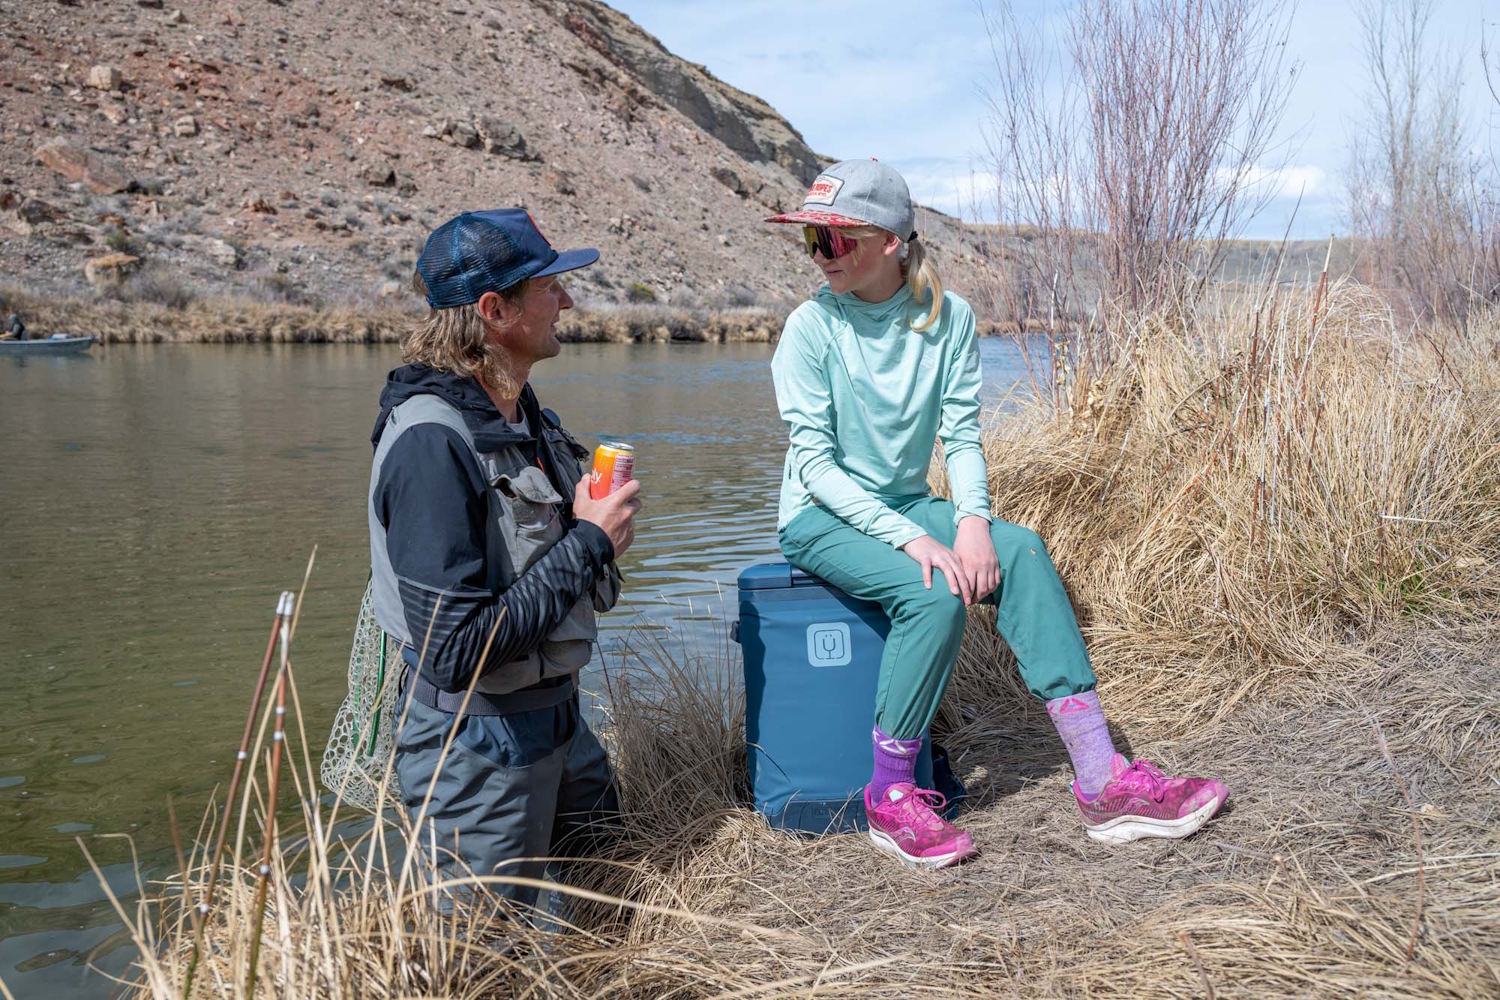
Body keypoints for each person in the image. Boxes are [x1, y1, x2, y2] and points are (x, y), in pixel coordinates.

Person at [765, 160, 1228, 869]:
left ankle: (1102, 780)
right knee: (932, 595)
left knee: (1023, 550)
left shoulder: (949, 320)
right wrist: (915, 536)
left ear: (889, 241)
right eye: (812, 243)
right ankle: (890, 797)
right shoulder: (809, 329)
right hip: (821, 514)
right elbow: (818, 469)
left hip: (904, 502)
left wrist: (974, 522)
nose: (821, 256)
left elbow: (960, 435)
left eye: (836, 239)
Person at [367, 208, 641, 912]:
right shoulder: (430, 444)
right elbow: (455, 649)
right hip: (477, 748)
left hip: (557, 724)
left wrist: (590, 535)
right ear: (495, 310)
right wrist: (588, 543)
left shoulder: (523, 411)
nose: (569, 301)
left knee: (602, 904)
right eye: (551, 287)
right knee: (488, 962)